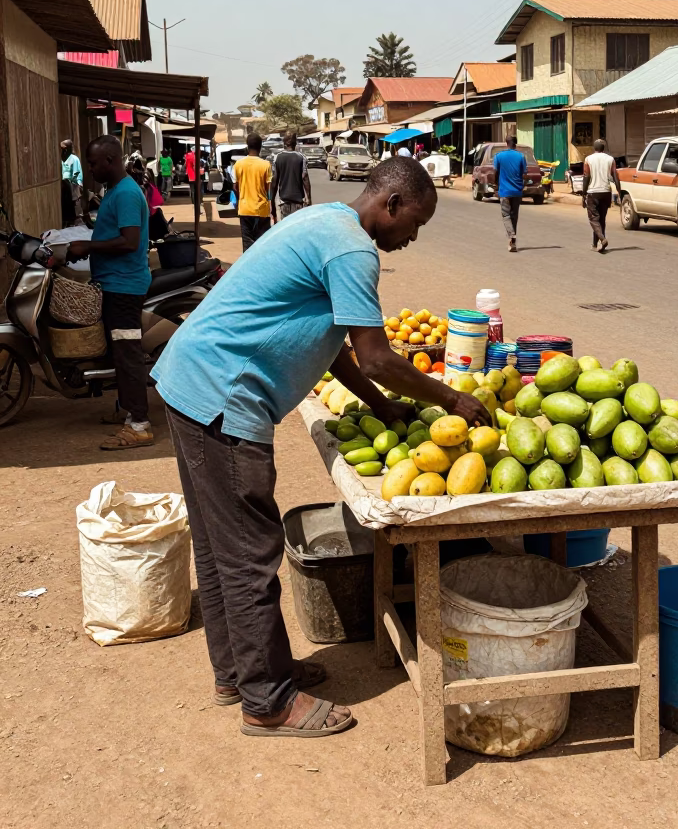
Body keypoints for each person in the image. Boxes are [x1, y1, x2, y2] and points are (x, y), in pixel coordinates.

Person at [151, 157, 490, 738]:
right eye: (416, 221)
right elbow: (378, 356)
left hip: (189, 381)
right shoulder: (353, 250)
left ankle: (242, 673)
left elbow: (333, 343)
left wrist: (382, 405)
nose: (413, 237)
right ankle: (269, 703)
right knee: (250, 553)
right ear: (390, 203)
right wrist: (449, 400)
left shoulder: (324, 221)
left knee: (217, 545)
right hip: (222, 399)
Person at [66, 136, 154, 450]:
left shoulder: (127, 193)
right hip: (114, 283)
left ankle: (139, 425)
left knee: (128, 354)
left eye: (92, 163)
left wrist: (88, 245)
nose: (89, 169)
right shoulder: (116, 191)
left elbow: (130, 241)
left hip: (125, 287)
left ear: (110, 160)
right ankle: (126, 409)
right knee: (119, 353)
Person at [581, 139, 622, 253]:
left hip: (593, 192)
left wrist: (583, 193)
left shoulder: (588, 159)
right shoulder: (610, 159)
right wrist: (619, 191)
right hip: (605, 192)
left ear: (594, 148)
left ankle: (602, 239)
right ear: (603, 148)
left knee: (593, 219)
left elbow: (586, 176)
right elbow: (615, 175)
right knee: (601, 219)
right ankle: (595, 244)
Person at [234, 132, 272, 251]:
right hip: (262, 210)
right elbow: (268, 189)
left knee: (247, 245)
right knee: (262, 245)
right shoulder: (266, 165)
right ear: (260, 147)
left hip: (245, 209)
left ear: (247, 146)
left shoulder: (238, 164)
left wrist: (240, 202)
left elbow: (235, 187)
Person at [492, 136, 527, 253]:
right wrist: (523, 185)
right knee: (514, 217)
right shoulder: (521, 156)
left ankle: (511, 236)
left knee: (506, 216)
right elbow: (524, 174)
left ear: (506, 143)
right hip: (517, 191)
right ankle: (513, 243)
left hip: (505, 192)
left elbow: (495, 173)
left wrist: (496, 186)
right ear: (515, 144)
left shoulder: (499, 156)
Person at [270, 132, 311, 222]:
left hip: (283, 202)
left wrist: (272, 202)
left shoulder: (278, 158)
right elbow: (305, 178)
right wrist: (309, 199)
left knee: (286, 228)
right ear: (295, 143)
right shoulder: (301, 157)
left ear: (284, 143)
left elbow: (274, 182)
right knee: (297, 228)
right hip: (298, 203)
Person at [60, 139, 84, 222]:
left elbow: (76, 173)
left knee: (75, 202)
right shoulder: (62, 159)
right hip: (65, 185)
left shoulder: (74, 159)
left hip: (73, 184)